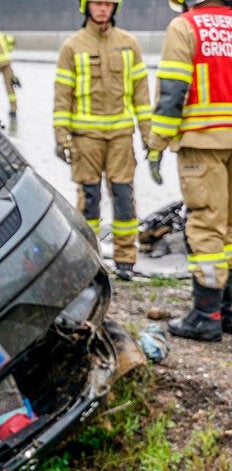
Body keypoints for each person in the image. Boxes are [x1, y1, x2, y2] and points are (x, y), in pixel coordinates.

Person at [146, 0, 232, 341]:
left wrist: (157, 144)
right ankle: (228, 311)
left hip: (202, 140)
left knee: (207, 226)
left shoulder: (186, 26)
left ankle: (206, 315)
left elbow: (172, 93)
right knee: (229, 227)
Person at [52, 0, 152, 282]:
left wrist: (149, 136)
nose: (102, 8)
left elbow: (141, 95)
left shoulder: (129, 44)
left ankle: (125, 260)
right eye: (97, 3)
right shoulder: (72, 47)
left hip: (121, 138)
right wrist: (62, 137)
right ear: (86, 6)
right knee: (89, 200)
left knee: (123, 199)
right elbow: (63, 96)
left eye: (108, 3)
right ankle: (88, 257)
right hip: (86, 140)